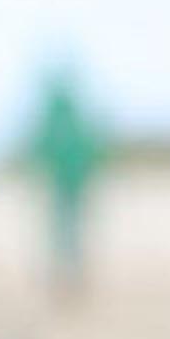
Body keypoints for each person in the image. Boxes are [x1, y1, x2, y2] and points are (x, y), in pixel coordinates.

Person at [20, 66, 106, 301]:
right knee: (69, 232)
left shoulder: (58, 118)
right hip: (72, 185)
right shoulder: (73, 117)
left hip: (66, 185)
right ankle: (69, 277)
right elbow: (92, 148)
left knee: (63, 232)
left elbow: (41, 148)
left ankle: (66, 277)